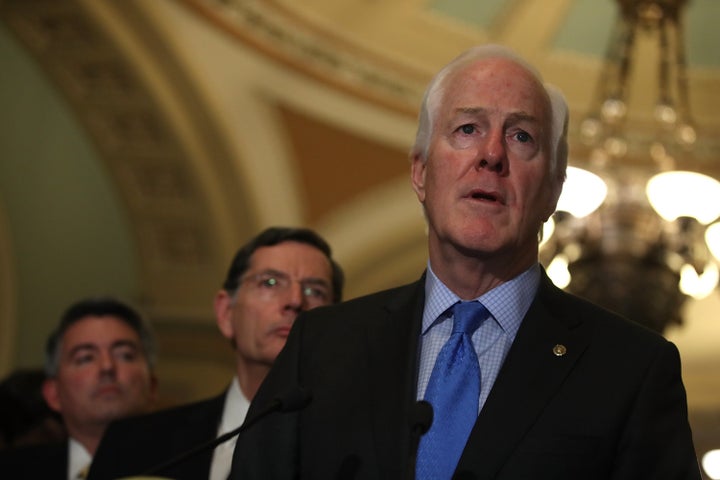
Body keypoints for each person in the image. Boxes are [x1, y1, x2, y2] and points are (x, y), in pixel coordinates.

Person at [230, 45, 701, 480]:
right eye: (467, 129)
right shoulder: (321, 348)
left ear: (554, 190)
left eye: (521, 136)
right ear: (420, 172)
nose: (492, 155)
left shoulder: (631, 369)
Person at [87, 226, 344, 480]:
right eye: (270, 282)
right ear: (225, 313)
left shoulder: (361, 443)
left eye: (315, 291)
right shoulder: (133, 444)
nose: (295, 301)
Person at [0, 297, 158, 480]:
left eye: (125, 355)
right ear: (53, 394)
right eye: (85, 358)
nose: (107, 366)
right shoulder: (9, 472)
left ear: (152, 387)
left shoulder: (192, 467)